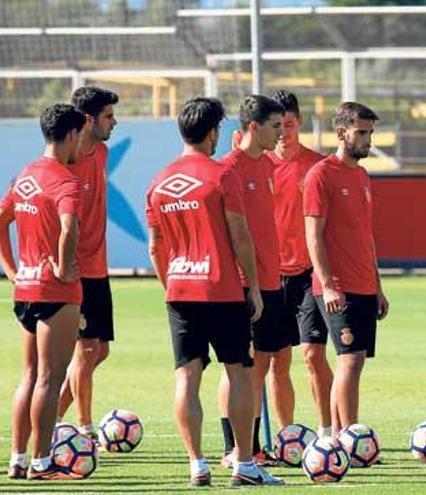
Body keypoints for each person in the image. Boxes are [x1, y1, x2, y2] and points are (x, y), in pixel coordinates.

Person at [145, 96, 281, 486]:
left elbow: (155, 247)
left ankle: (197, 465)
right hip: (222, 287)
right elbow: (240, 235)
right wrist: (253, 286)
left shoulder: (159, 182)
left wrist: (170, 284)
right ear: (213, 132)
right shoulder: (222, 176)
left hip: (180, 289)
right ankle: (244, 464)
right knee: (240, 371)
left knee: (187, 377)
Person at [1, 103, 84, 479]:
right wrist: (66, 268)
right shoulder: (65, 181)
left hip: (26, 289)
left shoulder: (25, 176)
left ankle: (17, 459)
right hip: (55, 291)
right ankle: (41, 461)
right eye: (80, 136)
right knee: (51, 378)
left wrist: (12, 271)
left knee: (30, 374)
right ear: (71, 135)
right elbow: (69, 229)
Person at [303, 102, 390, 434]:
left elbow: (365, 236)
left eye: (370, 133)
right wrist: (327, 284)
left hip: (364, 284)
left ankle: (341, 436)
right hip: (338, 285)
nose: (368, 140)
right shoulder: (321, 175)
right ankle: (347, 436)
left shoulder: (361, 175)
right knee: (348, 360)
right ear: (341, 133)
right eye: (362, 133)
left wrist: (378, 287)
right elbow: (313, 234)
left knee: (355, 361)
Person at [217, 95, 285, 468]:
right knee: (236, 366)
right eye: (275, 126)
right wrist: (249, 281)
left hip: (271, 279)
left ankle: (253, 447)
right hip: (243, 283)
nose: (281, 133)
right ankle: (234, 448)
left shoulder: (268, 167)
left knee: (260, 366)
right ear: (253, 127)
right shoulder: (230, 168)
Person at [268, 90, 335, 438]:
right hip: (271, 275)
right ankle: (287, 435)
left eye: (289, 124)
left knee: (312, 354)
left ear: (300, 123)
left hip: (310, 275)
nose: (283, 132)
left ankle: (328, 432)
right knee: (279, 360)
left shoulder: (317, 167)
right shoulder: (259, 167)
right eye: (277, 125)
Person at [56, 86, 118, 442]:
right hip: (76, 272)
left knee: (100, 350)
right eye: (109, 116)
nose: (115, 122)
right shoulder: (66, 160)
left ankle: (50, 420)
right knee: (87, 349)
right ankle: (84, 430)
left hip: (99, 267)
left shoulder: (104, 152)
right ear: (89, 120)